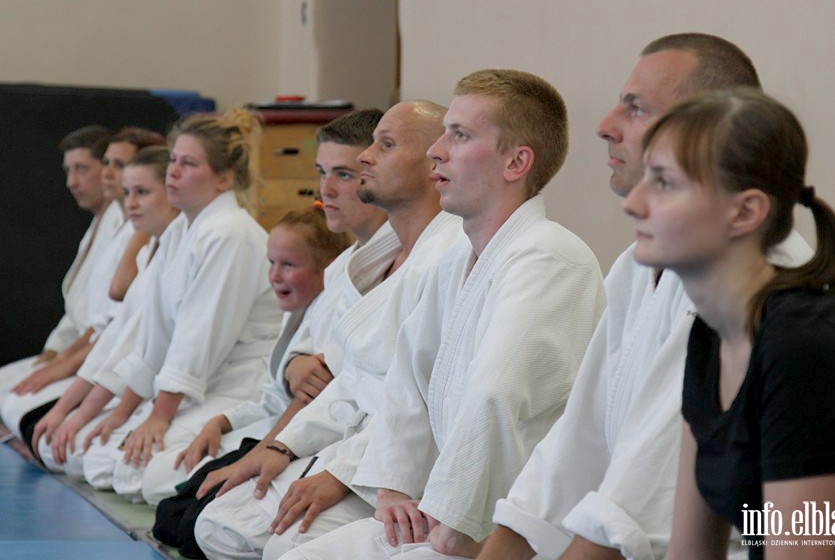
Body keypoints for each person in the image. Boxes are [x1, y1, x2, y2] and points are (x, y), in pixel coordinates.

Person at [478, 34, 812, 560]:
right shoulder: (642, 267)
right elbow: (578, 444)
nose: (605, 125)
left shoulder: (767, 298)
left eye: (635, 108)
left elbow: (638, 513)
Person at [282, 68, 605, 560]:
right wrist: (392, 488)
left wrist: (457, 520)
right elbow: (409, 378)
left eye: (460, 135)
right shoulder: (458, 256)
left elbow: (497, 395)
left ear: (516, 162)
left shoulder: (549, 257)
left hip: (511, 527)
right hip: (443, 503)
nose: (437, 149)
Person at [625, 89, 835, 559]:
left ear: (746, 211)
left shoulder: (803, 345)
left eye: (664, 183)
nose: (634, 202)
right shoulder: (711, 334)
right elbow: (690, 553)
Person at [194, 100, 463, 560]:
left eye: (386, 145)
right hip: (347, 440)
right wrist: (283, 444)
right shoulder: (372, 260)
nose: (365, 159)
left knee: (284, 548)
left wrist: (338, 473)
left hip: (400, 470)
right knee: (217, 527)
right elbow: (348, 379)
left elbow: (419, 405)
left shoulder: (451, 256)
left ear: (432, 161)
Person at [147, 110, 390, 555]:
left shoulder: (418, 261)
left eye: (344, 174)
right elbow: (305, 368)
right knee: (182, 508)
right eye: (322, 173)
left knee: (218, 526)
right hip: (295, 426)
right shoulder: (347, 266)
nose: (326, 190)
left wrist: (278, 447)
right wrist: (291, 376)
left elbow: (352, 391)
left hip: (361, 454)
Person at [80, 108, 283, 502]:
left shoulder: (230, 233)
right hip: (197, 388)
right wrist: (125, 412)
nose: (173, 171)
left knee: (144, 478)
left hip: (240, 389)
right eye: (173, 160)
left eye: (188, 163)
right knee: (97, 460)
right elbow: (155, 337)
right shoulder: (179, 231)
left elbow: (198, 336)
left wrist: (159, 416)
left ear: (224, 178)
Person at [8, 127, 167, 451]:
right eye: (106, 163)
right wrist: (59, 358)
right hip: (104, 359)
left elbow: (119, 305)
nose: (109, 174)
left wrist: (68, 370)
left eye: (118, 165)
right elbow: (103, 321)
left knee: (85, 453)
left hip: (147, 379)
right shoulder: (123, 225)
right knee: (16, 401)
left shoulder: (154, 233)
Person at [34, 145, 179, 476]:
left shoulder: (212, 241)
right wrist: (66, 410)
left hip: (188, 392)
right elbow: (116, 335)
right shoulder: (152, 251)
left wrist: (114, 412)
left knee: (104, 463)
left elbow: (148, 348)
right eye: (129, 192)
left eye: (141, 192)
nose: (130, 202)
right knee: (68, 445)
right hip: (146, 385)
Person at [0, 125, 116, 432]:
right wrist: (51, 354)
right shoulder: (98, 223)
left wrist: (64, 362)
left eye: (81, 169)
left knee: (14, 400)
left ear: (107, 169)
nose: (71, 182)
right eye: (68, 170)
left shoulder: (123, 222)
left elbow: (107, 319)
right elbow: (75, 313)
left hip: (96, 360)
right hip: (77, 350)